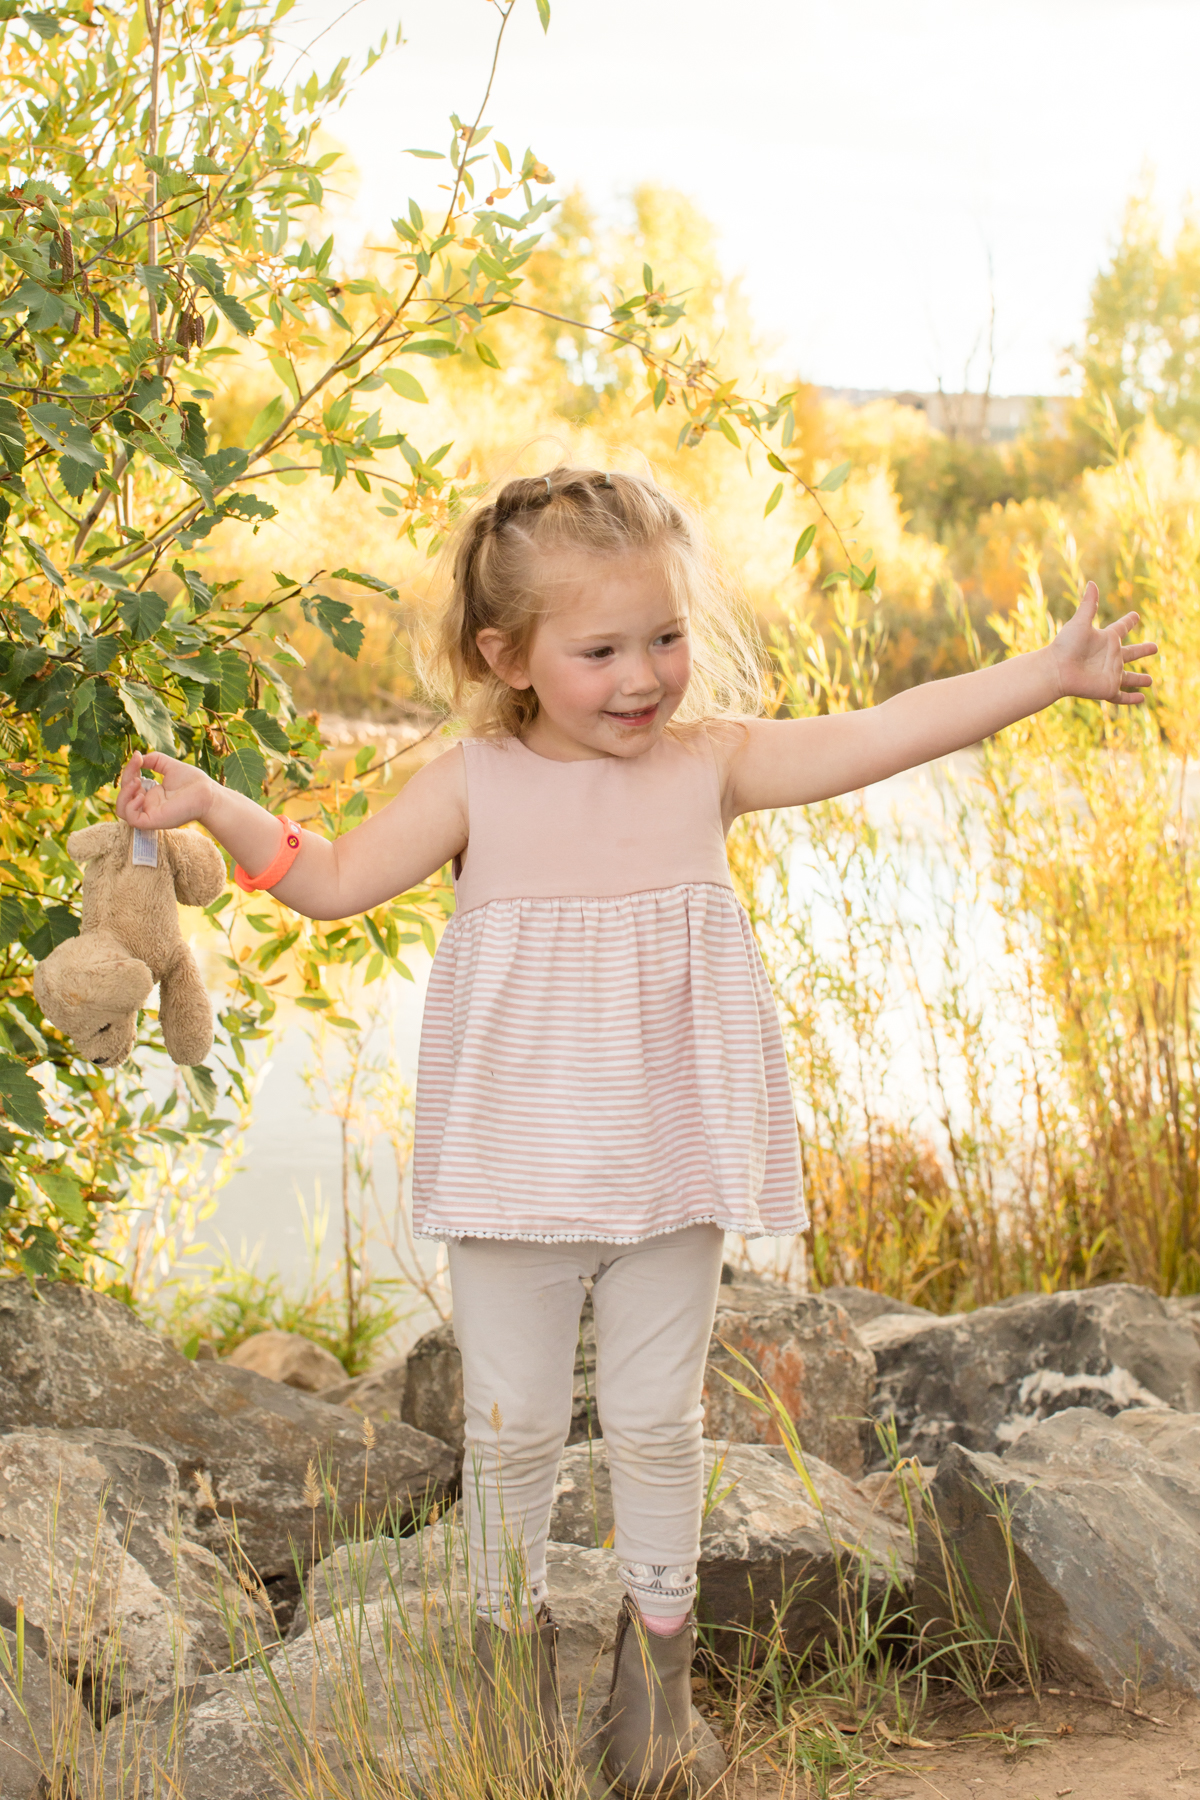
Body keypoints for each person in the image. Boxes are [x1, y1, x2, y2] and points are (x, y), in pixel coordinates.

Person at [117, 465, 1156, 1797]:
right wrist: (215, 804)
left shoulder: (708, 766)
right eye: (600, 649)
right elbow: (327, 881)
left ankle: (656, 1679)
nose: (642, 675)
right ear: (511, 656)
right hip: (513, 1173)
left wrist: (1045, 671)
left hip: (670, 1162)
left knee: (660, 1424)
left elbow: (889, 728)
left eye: (663, 637)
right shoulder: (475, 783)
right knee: (510, 1431)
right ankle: (504, 1678)